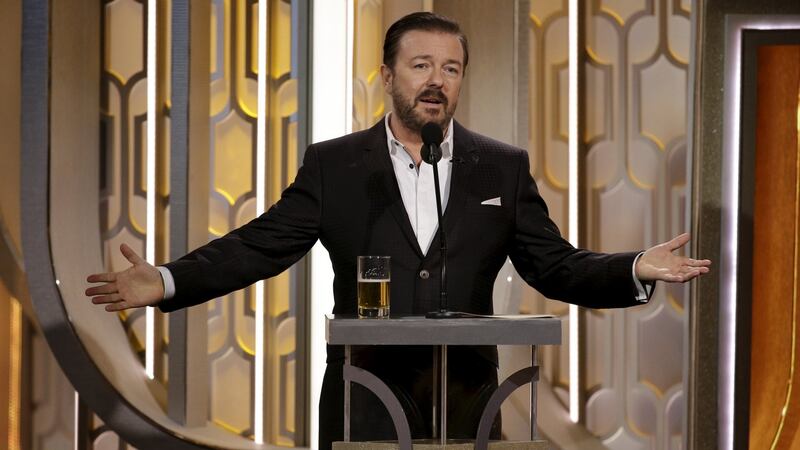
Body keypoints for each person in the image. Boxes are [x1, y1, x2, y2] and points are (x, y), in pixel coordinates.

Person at [85, 12, 710, 448]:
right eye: (421, 65)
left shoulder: (501, 166)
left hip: (468, 400)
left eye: (452, 68)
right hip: (365, 393)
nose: (437, 80)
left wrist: (632, 268)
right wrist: (167, 280)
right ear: (389, 76)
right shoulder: (336, 166)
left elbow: (555, 265)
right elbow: (260, 244)